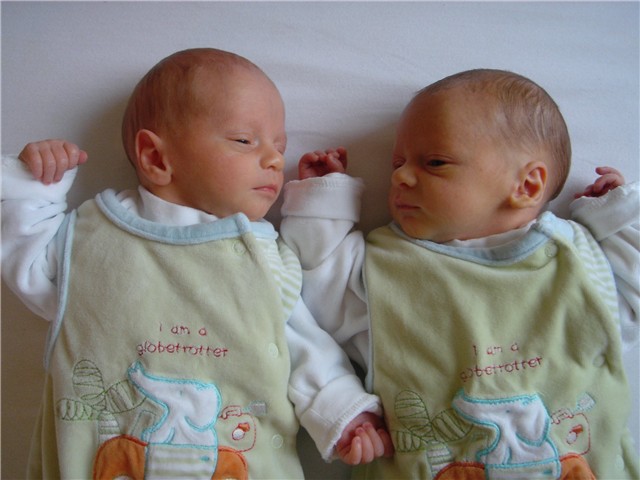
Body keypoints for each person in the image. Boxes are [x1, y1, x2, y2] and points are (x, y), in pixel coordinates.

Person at [1, 48, 393, 479]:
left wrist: (343, 412)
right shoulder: (95, 238)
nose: (275, 160)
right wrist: (36, 183)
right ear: (156, 158)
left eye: (279, 146)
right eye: (244, 140)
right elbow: (27, 265)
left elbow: (301, 342)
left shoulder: (259, 255)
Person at [280, 69, 639, 479]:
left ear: (527, 185)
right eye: (397, 163)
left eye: (434, 162)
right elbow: (315, 293)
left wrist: (617, 216)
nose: (399, 176)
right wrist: (322, 204)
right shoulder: (391, 267)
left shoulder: (574, 262)